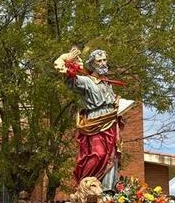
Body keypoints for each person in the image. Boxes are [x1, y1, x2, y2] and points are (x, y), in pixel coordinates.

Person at [54, 47, 125, 187]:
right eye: (99, 60)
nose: (103, 63)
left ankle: (107, 188)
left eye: (105, 60)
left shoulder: (107, 82)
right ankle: (86, 185)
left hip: (110, 121)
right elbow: (71, 81)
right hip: (95, 120)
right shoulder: (87, 81)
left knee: (112, 155)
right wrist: (68, 62)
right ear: (92, 64)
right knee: (98, 153)